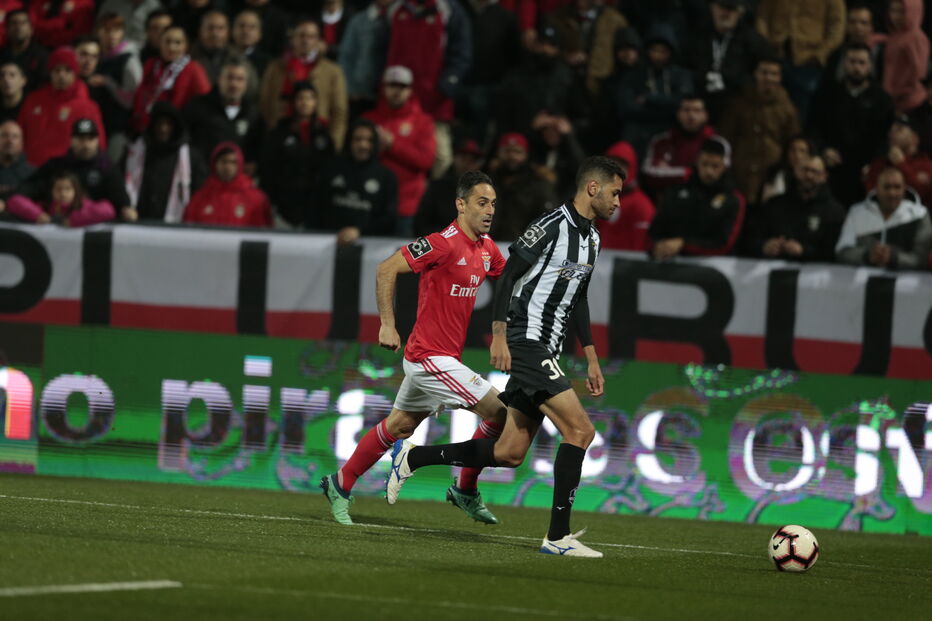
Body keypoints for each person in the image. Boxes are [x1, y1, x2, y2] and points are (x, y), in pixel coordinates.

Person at [385, 157, 623, 558]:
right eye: (615, 192)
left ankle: (415, 456)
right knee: (580, 432)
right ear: (593, 188)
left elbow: (578, 297)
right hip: (526, 339)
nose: (619, 201)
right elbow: (510, 274)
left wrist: (591, 356)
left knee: (511, 452)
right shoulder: (549, 227)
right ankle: (558, 537)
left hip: (548, 346)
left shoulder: (593, 240)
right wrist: (501, 335)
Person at [320, 170, 508, 526]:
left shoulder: (487, 249)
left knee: (400, 425)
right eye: (482, 203)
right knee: (499, 413)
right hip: (427, 358)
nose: (489, 211)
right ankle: (465, 489)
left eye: (493, 204)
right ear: (461, 204)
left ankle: (339, 483)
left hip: (445, 359)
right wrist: (388, 324)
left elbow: (510, 277)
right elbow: (386, 268)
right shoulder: (441, 243)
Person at [809, 43, 895, 208]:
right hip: (832, 170)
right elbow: (813, 128)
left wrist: (875, 164)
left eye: (862, 63)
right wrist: (824, 149)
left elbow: (886, 138)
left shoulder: (882, 100)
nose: (856, 67)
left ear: (870, 66)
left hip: (866, 173)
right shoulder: (826, 94)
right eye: (852, 62)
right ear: (844, 64)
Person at [363, 65, 436, 237]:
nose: (396, 91)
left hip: (406, 206)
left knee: (402, 261)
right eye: (392, 85)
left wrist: (393, 144)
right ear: (383, 87)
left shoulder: (423, 122)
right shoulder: (368, 119)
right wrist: (376, 150)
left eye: (402, 86)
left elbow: (426, 160)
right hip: (371, 204)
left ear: (410, 90)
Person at [718, 55, 800, 204]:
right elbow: (726, 138)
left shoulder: (788, 108)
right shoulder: (739, 104)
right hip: (739, 172)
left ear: (779, 77)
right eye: (764, 72)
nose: (768, 78)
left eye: (773, 74)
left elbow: (792, 141)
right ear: (755, 74)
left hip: (772, 175)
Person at [259, 19, 349, 150]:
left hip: (319, 142)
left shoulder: (333, 72)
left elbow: (339, 112)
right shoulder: (275, 68)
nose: (306, 40)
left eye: (311, 37)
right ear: (292, 39)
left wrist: (334, 144)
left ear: (318, 41)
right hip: (280, 140)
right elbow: (265, 103)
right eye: (301, 35)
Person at [649, 138, 746, 258]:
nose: (709, 171)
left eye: (715, 166)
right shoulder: (676, 191)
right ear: (697, 162)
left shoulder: (733, 199)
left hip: (713, 269)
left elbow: (724, 244)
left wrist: (684, 245)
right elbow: (656, 230)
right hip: (670, 264)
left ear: (725, 167)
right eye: (705, 164)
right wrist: (659, 245)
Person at [18, 118, 129, 221]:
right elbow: (29, 188)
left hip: (95, 229)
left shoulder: (108, 168)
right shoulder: (56, 165)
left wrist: (126, 209)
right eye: (81, 139)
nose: (86, 144)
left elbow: (120, 204)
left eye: (90, 138)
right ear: (71, 140)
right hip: (54, 225)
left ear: (97, 140)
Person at [258, 81, 335, 228]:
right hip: (282, 207)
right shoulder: (278, 133)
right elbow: (268, 169)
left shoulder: (324, 136)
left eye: (310, 98)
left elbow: (329, 171)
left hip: (314, 209)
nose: (305, 103)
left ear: (316, 102)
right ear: (293, 102)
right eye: (300, 98)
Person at [754, 0, 845, 123]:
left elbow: (837, 27)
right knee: (767, 107)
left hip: (808, 60)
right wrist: (766, 48)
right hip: (776, 56)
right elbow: (762, 18)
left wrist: (820, 54)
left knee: (800, 113)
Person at [683, 0, 771, 123]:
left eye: (732, 9)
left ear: (740, 12)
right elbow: (685, 67)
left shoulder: (753, 41)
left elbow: (757, 75)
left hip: (737, 103)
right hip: (701, 101)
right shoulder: (697, 35)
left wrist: (728, 80)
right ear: (712, 7)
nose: (726, 13)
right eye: (722, 7)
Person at [18, 47, 106, 167]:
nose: (61, 75)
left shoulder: (87, 107)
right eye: (57, 70)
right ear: (50, 72)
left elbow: (98, 144)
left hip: (69, 173)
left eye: (67, 70)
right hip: (31, 169)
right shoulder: (33, 100)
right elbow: (19, 133)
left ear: (75, 73)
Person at [747, 155, 845, 262]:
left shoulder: (835, 211)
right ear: (794, 171)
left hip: (814, 275)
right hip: (771, 271)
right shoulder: (774, 204)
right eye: (804, 170)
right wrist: (763, 246)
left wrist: (804, 251)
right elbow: (749, 239)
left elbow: (835, 252)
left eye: (815, 171)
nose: (809, 175)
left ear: (824, 176)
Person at [124, 102, 207, 223]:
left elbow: (199, 193)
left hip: (176, 227)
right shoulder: (136, 152)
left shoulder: (190, 157)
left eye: (168, 124)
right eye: (160, 124)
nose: (163, 129)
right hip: (139, 222)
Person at [316, 119, 397, 242]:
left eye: (369, 140)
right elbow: (317, 205)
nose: (363, 145)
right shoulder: (331, 169)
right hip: (328, 243)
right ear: (349, 141)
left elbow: (389, 218)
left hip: (369, 247)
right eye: (358, 139)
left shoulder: (387, 177)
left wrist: (360, 231)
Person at [836, 166, 932, 269]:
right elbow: (842, 252)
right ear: (877, 188)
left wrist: (894, 258)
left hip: (906, 282)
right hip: (861, 280)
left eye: (897, 187)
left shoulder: (920, 215)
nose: (892, 193)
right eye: (887, 187)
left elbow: (921, 259)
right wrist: (867, 255)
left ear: (904, 188)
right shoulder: (857, 212)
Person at [641, 95, 730, 198]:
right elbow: (649, 175)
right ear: (678, 114)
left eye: (697, 110)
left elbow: (721, 176)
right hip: (669, 201)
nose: (691, 115)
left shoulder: (718, 143)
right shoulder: (661, 142)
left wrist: (670, 173)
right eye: (686, 110)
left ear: (705, 115)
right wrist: (689, 172)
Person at [184, 56, 262, 168]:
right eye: (229, 78)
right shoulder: (198, 107)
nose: (234, 84)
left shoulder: (253, 115)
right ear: (219, 79)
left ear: (246, 84)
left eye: (240, 79)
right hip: (202, 179)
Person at [132, 25, 211, 133]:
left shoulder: (194, 69)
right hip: (146, 128)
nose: (171, 47)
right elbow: (139, 94)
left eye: (178, 43)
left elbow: (204, 101)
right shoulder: (150, 64)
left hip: (179, 130)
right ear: (160, 43)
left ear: (186, 46)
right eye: (167, 41)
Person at [89, 13, 144, 162]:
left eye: (117, 30)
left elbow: (132, 100)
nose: (112, 35)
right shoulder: (95, 56)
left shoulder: (129, 60)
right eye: (107, 30)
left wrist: (108, 83)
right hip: (97, 125)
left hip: (120, 127)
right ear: (98, 32)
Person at [488, 131, 558, 241]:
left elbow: (547, 221)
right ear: (498, 153)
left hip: (522, 249)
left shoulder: (537, 184)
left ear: (526, 155)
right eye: (507, 151)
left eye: (517, 152)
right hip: (488, 247)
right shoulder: (486, 182)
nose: (512, 156)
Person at [183, 141, 271, 227]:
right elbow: (188, 231)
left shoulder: (256, 199)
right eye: (223, 161)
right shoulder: (200, 198)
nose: (228, 167)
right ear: (214, 164)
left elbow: (263, 233)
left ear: (240, 164)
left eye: (233, 162)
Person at [415, 138, 482, 236]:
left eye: (472, 160)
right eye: (463, 158)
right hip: (440, 245)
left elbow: (490, 225)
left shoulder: (486, 191)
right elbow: (421, 223)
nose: (467, 163)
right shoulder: (437, 188)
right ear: (455, 159)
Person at [338, 0, 392, 118]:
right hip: (360, 93)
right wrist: (350, 88)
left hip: (390, 94)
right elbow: (346, 57)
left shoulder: (400, 19)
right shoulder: (358, 21)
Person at [863, 116, 932, 207]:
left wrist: (901, 165)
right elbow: (872, 195)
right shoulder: (879, 163)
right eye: (891, 130)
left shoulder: (927, 165)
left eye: (899, 130)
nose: (891, 133)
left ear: (914, 138)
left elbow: (923, 195)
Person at [598, 140, 655, 251]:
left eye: (621, 166)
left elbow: (641, 249)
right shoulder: (598, 200)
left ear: (632, 169)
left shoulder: (641, 205)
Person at [6, 169, 114, 227]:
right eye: (58, 189)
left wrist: (73, 220)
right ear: (51, 191)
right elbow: (14, 201)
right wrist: (38, 215)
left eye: (68, 189)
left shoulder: (84, 205)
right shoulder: (45, 207)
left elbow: (108, 210)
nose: (63, 193)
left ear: (76, 191)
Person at [882, 0, 929, 113]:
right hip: (894, 100)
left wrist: (901, 92)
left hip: (910, 102)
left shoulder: (916, 38)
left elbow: (919, 72)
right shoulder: (896, 35)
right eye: (893, 11)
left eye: (902, 12)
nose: (895, 16)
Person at [0, 9, 48, 90]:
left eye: (23, 23)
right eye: (14, 23)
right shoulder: (1, 55)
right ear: (6, 30)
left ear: (31, 29)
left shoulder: (42, 56)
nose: (18, 27)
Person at [28, 0, 94, 49]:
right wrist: (60, 23)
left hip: (66, 51)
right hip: (36, 46)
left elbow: (78, 36)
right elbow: (31, 26)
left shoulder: (84, 4)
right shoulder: (40, 2)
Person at [231, 9, 271, 79]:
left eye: (252, 27)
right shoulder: (221, 58)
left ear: (259, 34)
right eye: (241, 25)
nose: (245, 31)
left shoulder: (268, 64)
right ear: (232, 30)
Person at [0, 120, 33, 203]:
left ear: (22, 143)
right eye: (4, 135)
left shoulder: (33, 174)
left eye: (15, 136)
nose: (10, 141)